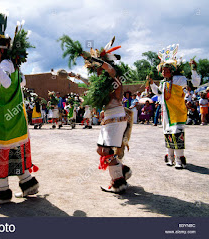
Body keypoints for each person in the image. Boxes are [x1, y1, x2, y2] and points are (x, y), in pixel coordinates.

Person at [60, 35, 133, 193]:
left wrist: (98, 61)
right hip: (110, 119)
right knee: (102, 150)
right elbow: (90, 84)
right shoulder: (101, 83)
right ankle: (123, 171)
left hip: (116, 118)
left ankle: (118, 183)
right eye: (94, 68)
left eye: (96, 68)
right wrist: (75, 76)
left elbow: (110, 69)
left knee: (104, 151)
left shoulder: (114, 77)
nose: (96, 71)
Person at [0, 12, 39, 205]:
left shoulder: (3, 64)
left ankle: (2, 194)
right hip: (16, 119)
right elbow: (21, 82)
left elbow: (5, 82)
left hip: (5, 121)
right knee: (14, 150)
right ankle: (28, 183)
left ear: (0, 52)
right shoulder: (14, 65)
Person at [150, 44, 200, 169]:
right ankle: (170, 158)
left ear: (172, 71)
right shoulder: (162, 83)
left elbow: (195, 84)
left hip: (177, 111)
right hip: (166, 112)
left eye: (167, 70)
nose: (164, 72)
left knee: (177, 133)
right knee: (167, 134)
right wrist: (151, 84)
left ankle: (179, 160)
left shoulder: (179, 80)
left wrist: (193, 69)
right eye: (163, 70)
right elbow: (159, 93)